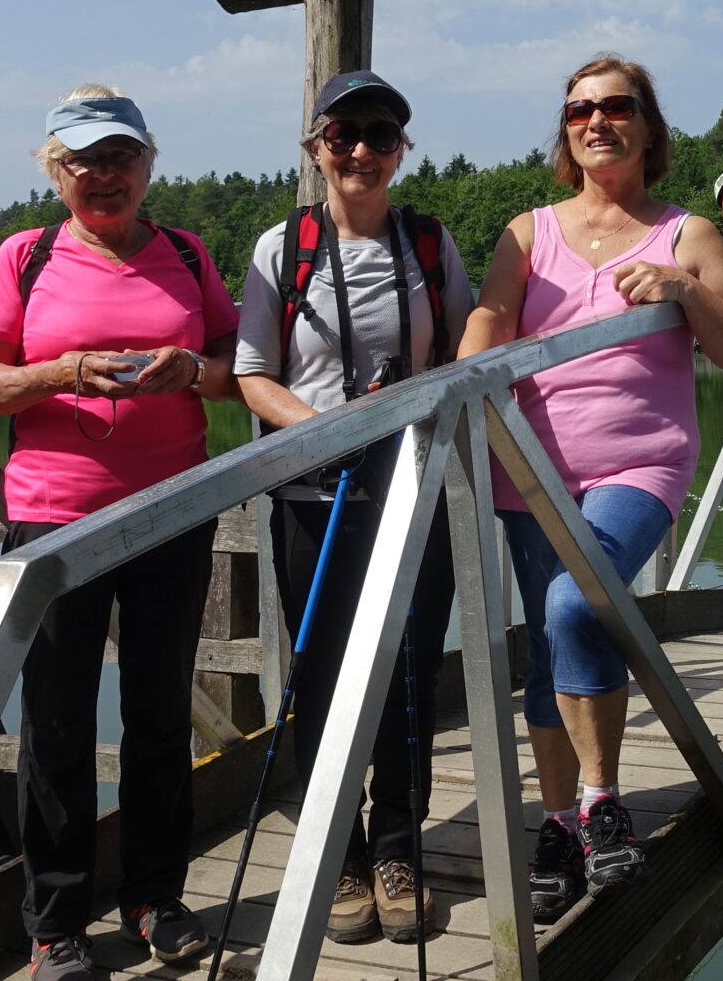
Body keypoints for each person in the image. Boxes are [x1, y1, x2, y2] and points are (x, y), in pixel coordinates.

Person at [458, 54, 723, 922]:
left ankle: (601, 803)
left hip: (639, 465)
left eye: (616, 106)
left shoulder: (687, 233)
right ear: (566, 132)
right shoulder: (527, 233)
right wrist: (464, 370)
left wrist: (683, 289)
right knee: (550, 641)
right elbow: (491, 315)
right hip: (527, 466)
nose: (597, 120)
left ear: (648, 126)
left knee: (574, 604)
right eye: (579, 110)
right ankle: (559, 825)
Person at [0, 85, 242, 981]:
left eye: (120, 156)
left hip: (171, 512)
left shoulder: (188, 254)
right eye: (82, 160)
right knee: (55, 723)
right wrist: (62, 371)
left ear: (148, 163)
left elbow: (239, 369)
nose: (103, 174)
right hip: (54, 516)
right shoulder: (25, 256)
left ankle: (156, 897)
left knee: (159, 713)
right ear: (56, 172)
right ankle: (56, 925)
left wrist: (189, 369)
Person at [233, 70, 476, 947]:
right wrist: (325, 431)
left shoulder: (429, 244)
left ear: (402, 151)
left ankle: (399, 847)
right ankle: (338, 850)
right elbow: (251, 373)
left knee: (410, 674)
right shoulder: (282, 248)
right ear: (316, 149)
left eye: (381, 134)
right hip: (315, 497)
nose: (362, 150)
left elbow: (466, 352)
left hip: (409, 493)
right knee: (322, 674)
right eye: (344, 135)